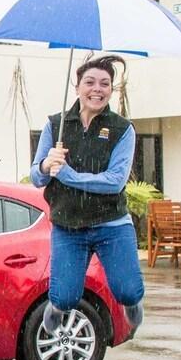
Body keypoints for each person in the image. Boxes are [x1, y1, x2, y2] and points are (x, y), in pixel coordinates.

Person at [33, 54, 146, 337]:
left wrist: (68, 175)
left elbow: (115, 182)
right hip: (69, 226)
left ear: (112, 89)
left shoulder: (122, 129)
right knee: (64, 297)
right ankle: (57, 309)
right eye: (90, 82)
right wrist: (48, 164)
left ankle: (132, 303)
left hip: (111, 225)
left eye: (105, 84)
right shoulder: (56, 125)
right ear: (77, 86)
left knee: (128, 290)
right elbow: (37, 176)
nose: (97, 89)